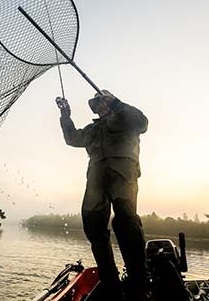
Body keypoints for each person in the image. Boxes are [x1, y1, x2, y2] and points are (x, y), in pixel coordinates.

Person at [56, 90, 151, 301]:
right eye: (95, 104)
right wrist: (65, 115)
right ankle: (110, 282)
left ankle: (139, 280)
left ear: (109, 102)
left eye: (102, 102)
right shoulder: (92, 129)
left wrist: (117, 103)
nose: (99, 106)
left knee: (126, 222)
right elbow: (72, 138)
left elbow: (142, 123)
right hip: (96, 177)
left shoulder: (125, 118)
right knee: (92, 225)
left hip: (123, 173)